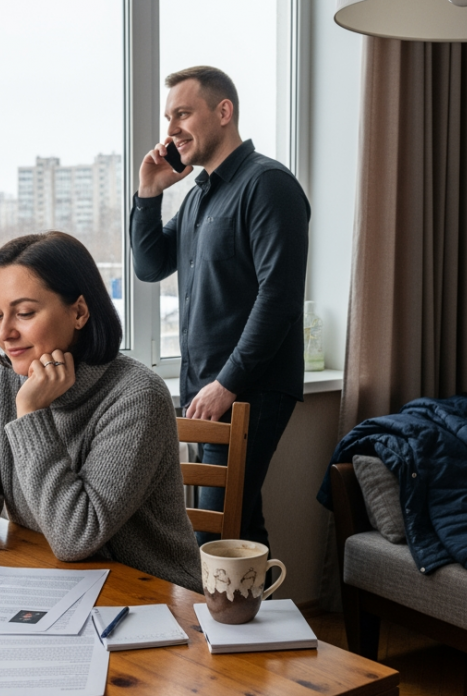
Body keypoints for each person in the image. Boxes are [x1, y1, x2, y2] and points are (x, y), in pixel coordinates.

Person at [0, 232, 202, 593]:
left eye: (24, 313)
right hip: (54, 586)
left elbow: (76, 536)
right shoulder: (4, 383)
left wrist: (30, 413)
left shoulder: (137, 395)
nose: (4, 333)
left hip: (150, 599)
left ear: (79, 312)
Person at [130, 66, 310, 548]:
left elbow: (280, 297)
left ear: (224, 112)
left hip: (249, 390)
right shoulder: (197, 199)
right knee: (237, 529)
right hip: (207, 392)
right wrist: (149, 192)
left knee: (210, 536)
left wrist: (228, 383)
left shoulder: (268, 184)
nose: (171, 130)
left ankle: (214, 625)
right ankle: (266, 621)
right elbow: (150, 266)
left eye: (183, 114)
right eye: (169, 118)